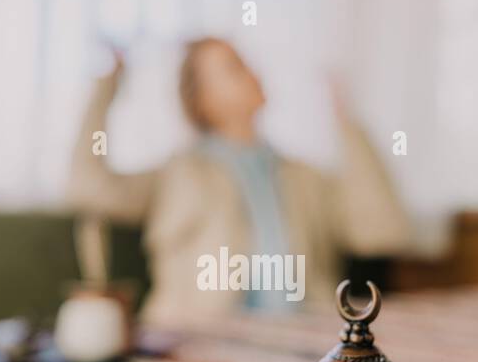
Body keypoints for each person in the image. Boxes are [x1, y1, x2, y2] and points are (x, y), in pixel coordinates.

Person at [66, 38, 411, 323]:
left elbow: (383, 230)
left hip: (307, 343)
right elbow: (87, 188)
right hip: (199, 339)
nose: (253, 73)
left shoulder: (304, 175)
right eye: (234, 67)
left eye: (247, 63)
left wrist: (345, 121)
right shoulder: (177, 172)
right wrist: (106, 88)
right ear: (200, 99)